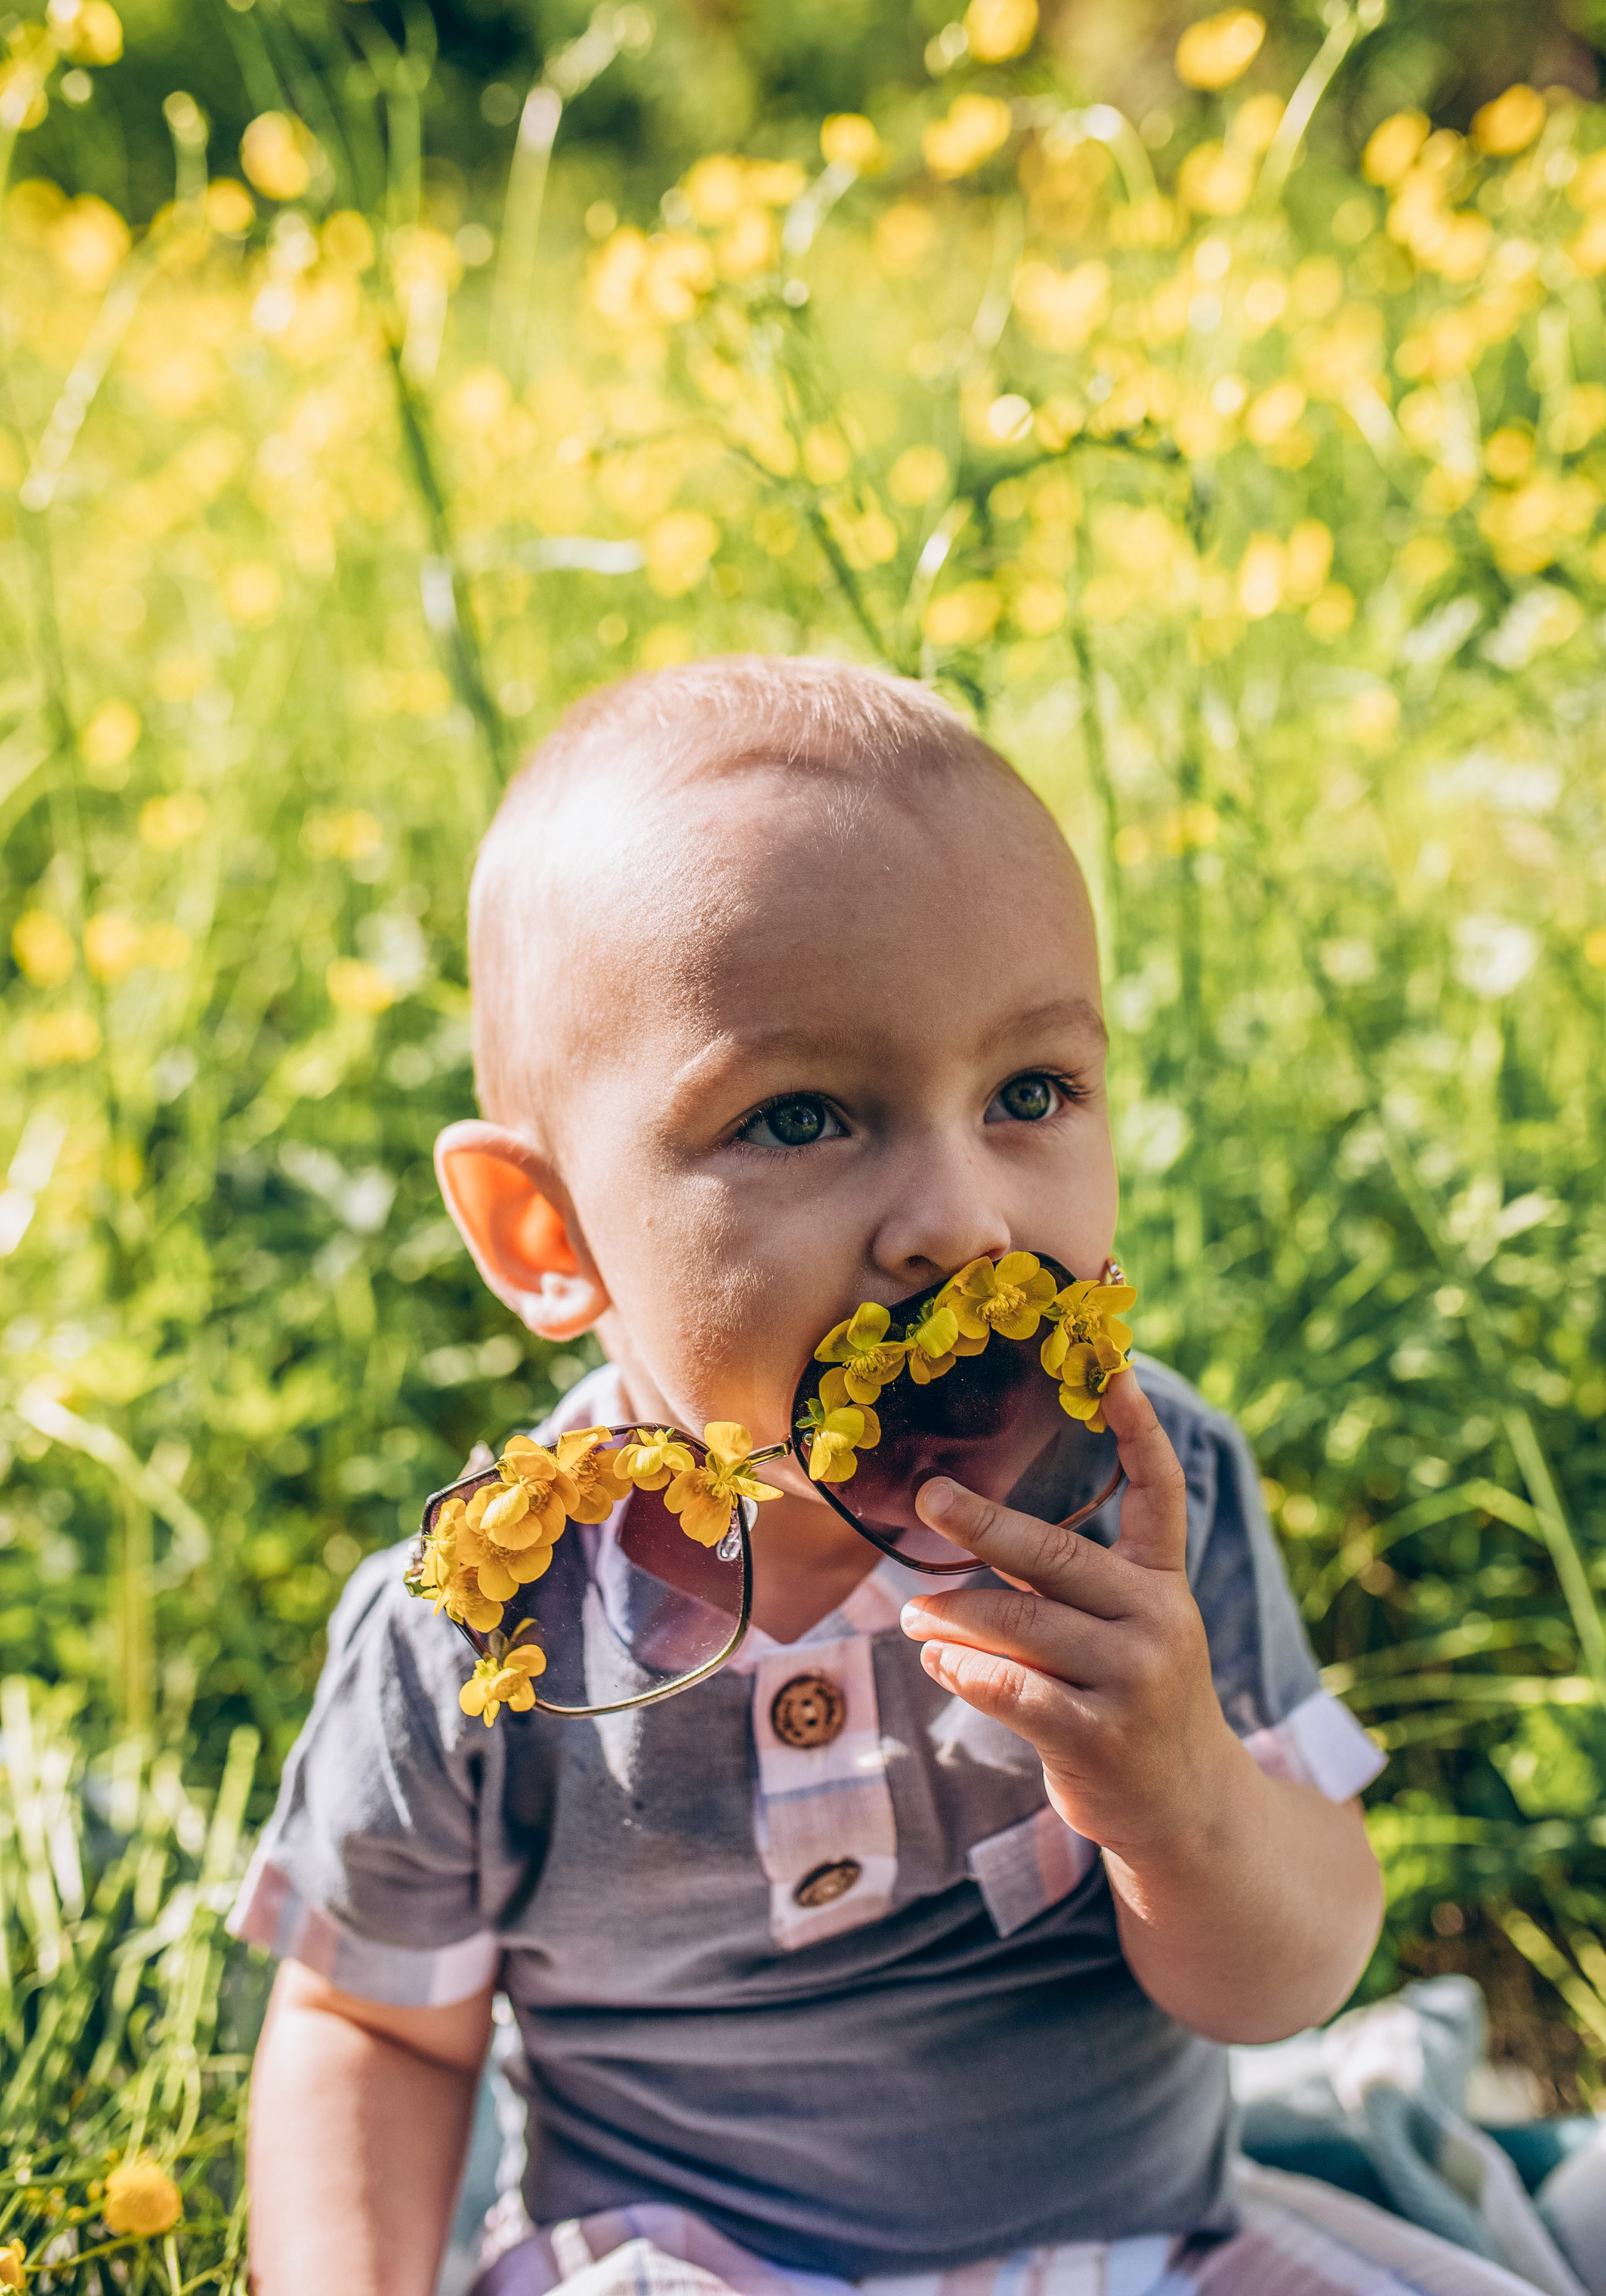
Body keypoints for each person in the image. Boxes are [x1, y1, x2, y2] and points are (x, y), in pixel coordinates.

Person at [235, 657, 1534, 2296]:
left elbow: (1296, 1972)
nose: (963, 1218)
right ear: (547, 1237)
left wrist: (1185, 1798)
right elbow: (374, 2033)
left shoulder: (1149, 1495)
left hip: (1150, 2254)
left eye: (1030, 1095)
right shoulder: (484, 1629)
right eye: (801, 1120)